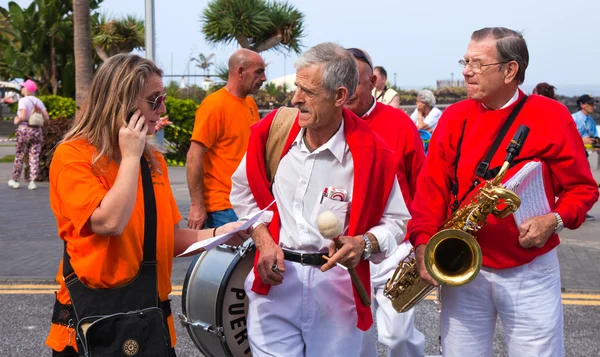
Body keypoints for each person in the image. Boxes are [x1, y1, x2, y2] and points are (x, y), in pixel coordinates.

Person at [409, 27, 599, 357]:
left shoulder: (552, 116)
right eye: (465, 61)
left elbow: (582, 188)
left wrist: (553, 220)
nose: (466, 71)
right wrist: (423, 242)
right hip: (462, 268)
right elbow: (431, 190)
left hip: (531, 271)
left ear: (510, 70)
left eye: (478, 63)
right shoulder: (454, 117)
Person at [45, 54, 243, 357]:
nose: (162, 109)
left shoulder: (154, 162)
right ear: (121, 104)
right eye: (154, 100)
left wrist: (225, 233)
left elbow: (168, 238)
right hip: (92, 329)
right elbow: (109, 223)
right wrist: (130, 157)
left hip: (150, 326)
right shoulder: (73, 157)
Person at [230, 42, 410, 357]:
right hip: (274, 285)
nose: (296, 99)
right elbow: (242, 191)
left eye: (308, 92)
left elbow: (397, 222)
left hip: (337, 293)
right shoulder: (272, 131)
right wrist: (263, 241)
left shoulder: (374, 154)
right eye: (297, 87)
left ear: (340, 96)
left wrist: (364, 244)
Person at [345, 47, 426, 357]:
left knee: (399, 339)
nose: (346, 89)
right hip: (347, 249)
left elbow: (422, 184)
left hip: (394, 247)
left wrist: (422, 239)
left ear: (374, 80)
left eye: (355, 80)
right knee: (355, 340)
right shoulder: (327, 126)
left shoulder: (399, 123)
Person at [186, 49, 266, 229]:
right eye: (258, 72)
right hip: (222, 207)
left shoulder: (250, 104)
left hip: (245, 203)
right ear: (240, 72)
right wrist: (197, 206)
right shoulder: (214, 105)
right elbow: (193, 157)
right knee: (222, 257)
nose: (264, 78)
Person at [7, 80, 49, 190]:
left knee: (20, 154)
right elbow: (46, 117)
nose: (21, 89)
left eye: (23, 87)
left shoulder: (23, 101)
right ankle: (32, 181)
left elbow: (23, 116)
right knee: (34, 156)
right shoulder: (38, 101)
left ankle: (15, 180)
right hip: (37, 131)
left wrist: (17, 120)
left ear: (27, 89)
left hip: (24, 130)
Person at [572, 94, 600, 220]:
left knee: (585, 184)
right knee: (576, 185)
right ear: (582, 105)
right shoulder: (574, 118)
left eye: (594, 104)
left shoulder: (590, 121)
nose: (593, 106)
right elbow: (567, 137)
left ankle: (582, 211)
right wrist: (581, 140)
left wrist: (595, 143)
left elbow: (595, 137)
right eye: (590, 104)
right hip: (572, 155)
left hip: (584, 155)